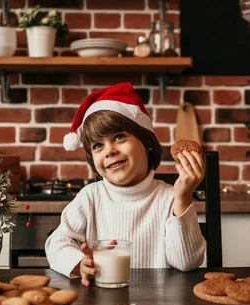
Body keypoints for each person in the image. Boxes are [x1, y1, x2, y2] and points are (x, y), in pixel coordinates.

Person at [45, 82, 206, 286]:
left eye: (119, 137)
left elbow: (187, 262)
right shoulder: (90, 197)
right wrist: (78, 262)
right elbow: (56, 243)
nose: (109, 150)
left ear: (147, 142)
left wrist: (183, 198)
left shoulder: (170, 198)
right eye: (98, 145)